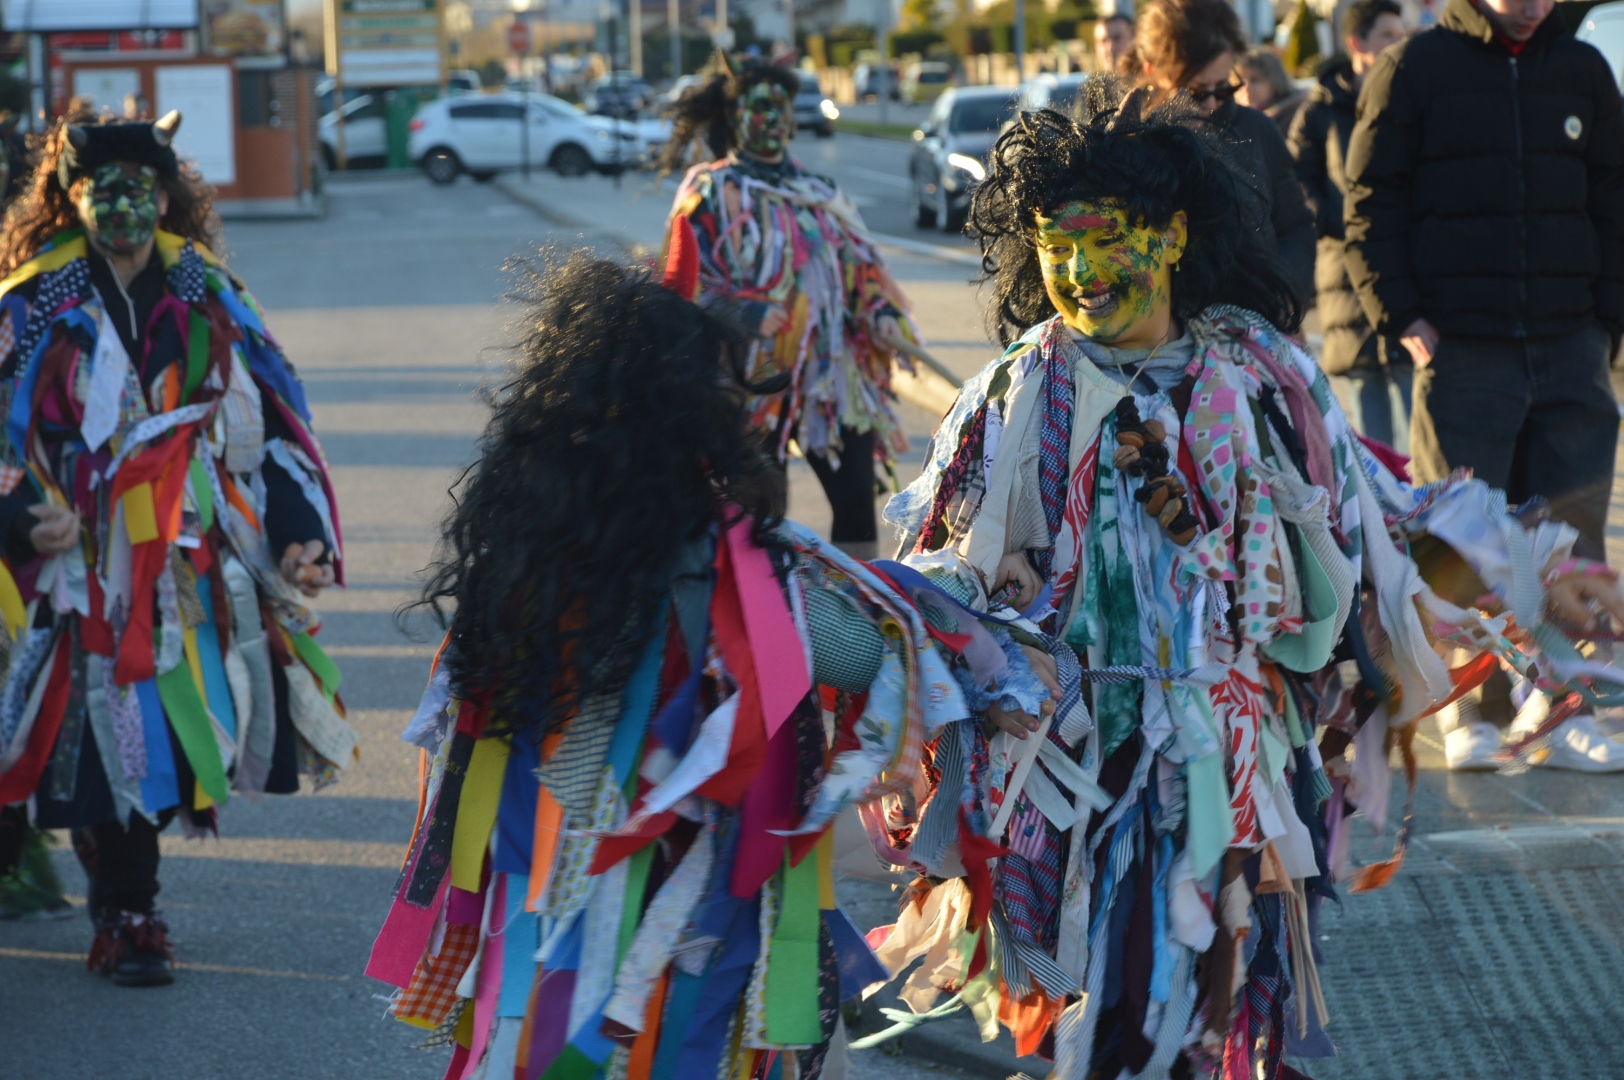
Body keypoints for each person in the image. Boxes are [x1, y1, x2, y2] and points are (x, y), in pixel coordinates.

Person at [876, 97, 1624, 1079]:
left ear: (1176, 233)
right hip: (1079, 772)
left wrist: (1532, 569)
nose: (1081, 272)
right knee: (1110, 1005)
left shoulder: (1259, 374)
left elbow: (1374, 503)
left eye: (1108, 238)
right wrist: (894, 624)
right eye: (1057, 244)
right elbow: (952, 559)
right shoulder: (1022, 391)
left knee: (1219, 1000)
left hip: (1232, 770)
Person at [367, 249, 1049, 1079]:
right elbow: (860, 649)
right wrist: (965, 611)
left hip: (553, 906)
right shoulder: (723, 562)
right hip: (694, 916)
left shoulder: (525, 557)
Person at [0, 115, 355, 984]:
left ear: (166, 198)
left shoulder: (210, 295)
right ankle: (121, 902)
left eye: (139, 187)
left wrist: (297, 535)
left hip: (186, 566)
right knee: (73, 737)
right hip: (70, 568)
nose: (121, 203)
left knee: (155, 739)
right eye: (100, 186)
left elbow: (269, 423)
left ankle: (130, 909)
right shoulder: (30, 301)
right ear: (68, 197)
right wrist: (18, 517)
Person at [1344, 0, 1624, 770]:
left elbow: (1613, 196)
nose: (1530, 6)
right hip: (1463, 345)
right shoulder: (1415, 68)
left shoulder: (1583, 68)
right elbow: (1370, 200)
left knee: (1572, 542)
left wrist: (1609, 321)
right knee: (1458, 540)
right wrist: (1403, 315)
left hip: (1572, 341)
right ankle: (1464, 710)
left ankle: (1565, 711)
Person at [659, 53, 919, 562]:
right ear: (735, 116)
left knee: (857, 504)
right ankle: (763, 611)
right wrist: (743, 315)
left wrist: (881, 313)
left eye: (782, 105)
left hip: (831, 380)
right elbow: (683, 283)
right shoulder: (709, 190)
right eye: (760, 106)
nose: (775, 117)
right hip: (753, 383)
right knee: (754, 509)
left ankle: (861, 607)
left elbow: (859, 267)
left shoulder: (819, 192)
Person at [1131, 0, 1317, 307]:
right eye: (1197, 92)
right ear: (1153, 71)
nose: (1213, 104)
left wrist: (1284, 298)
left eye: (1223, 87)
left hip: (1255, 327)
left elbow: (1295, 227)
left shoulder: (1257, 130)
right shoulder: (1134, 144)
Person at [1288, 0, 1410, 450]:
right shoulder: (1318, 112)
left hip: (1404, 276)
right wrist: (1348, 225)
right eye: (1388, 36)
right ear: (1357, 44)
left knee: (1421, 434)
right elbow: (1297, 185)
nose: (1399, 46)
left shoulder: (1411, 102)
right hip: (1345, 280)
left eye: (1402, 36)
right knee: (1373, 437)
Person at [1233, 47, 1308, 136]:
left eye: (1255, 80)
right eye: (1240, 83)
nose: (1246, 88)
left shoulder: (1295, 116)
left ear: (1275, 81)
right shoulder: (1233, 122)